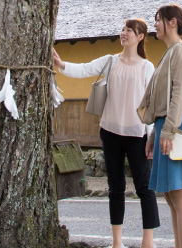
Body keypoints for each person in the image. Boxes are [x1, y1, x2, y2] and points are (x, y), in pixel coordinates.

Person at [53, 19, 159, 248]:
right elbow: (85, 68)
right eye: (123, 30)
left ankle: (148, 242)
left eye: (129, 30)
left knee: (145, 188)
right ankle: (116, 242)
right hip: (110, 132)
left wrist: (151, 136)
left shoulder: (147, 67)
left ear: (140, 37)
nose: (124, 33)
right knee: (115, 188)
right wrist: (61, 64)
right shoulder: (110, 61)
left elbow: (151, 104)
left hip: (137, 135)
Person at [138, 4, 182, 248]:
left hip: (177, 127)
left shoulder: (180, 50)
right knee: (172, 199)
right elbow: (163, 101)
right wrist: (154, 134)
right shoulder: (171, 52)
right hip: (168, 126)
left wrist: (166, 130)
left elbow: (178, 96)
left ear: (173, 23)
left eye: (158, 20)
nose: (155, 24)